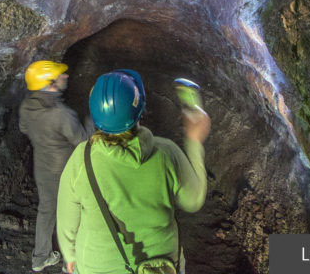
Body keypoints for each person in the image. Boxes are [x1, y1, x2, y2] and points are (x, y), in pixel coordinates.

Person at [57, 69, 211, 274]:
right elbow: (193, 200)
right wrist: (194, 141)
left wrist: (70, 256)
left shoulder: (82, 158)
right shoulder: (167, 154)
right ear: (140, 108)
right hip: (160, 267)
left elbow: (67, 219)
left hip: (96, 267)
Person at [19, 60, 91, 272]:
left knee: (47, 211)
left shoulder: (26, 107)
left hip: (42, 168)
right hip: (66, 170)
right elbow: (82, 140)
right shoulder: (61, 113)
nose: (66, 76)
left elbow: (24, 128)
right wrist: (91, 118)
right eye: (61, 75)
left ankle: (40, 258)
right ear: (50, 84)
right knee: (75, 214)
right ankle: (73, 263)